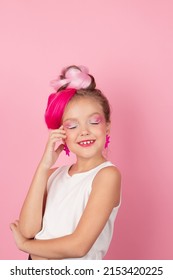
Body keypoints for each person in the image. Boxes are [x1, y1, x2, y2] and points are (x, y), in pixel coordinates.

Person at [10, 65, 121, 260]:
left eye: (94, 122)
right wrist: (44, 166)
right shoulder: (53, 174)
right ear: (62, 133)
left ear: (107, 127)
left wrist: (26, 245)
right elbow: (28, 229)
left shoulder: (106, 176)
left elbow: (79, 246)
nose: (84, 131)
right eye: (72, 125)